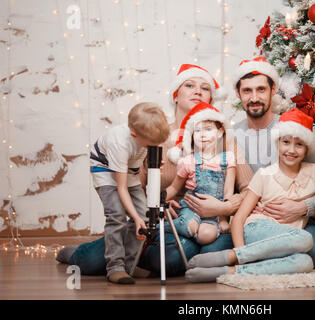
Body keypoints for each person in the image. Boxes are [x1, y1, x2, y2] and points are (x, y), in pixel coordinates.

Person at [56, 64, 254, 277]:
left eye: (205, 88)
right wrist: (157, 204)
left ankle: (157, 255)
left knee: (190, 254)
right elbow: (135, 184)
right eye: (190, 85)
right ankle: (83, 252)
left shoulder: (226, 140)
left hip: (210, 223)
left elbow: (250, 190)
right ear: (175, 96)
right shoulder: (155, 134)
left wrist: (223, 208)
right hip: (163, 221)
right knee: (93, 261)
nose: (198, 91)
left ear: (211, 100)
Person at [185, 108, 315, 282]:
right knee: (305, 239)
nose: (291, 150)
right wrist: (239, 253)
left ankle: (229, 272)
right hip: (258, 229)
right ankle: (231, 257)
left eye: (299, 144)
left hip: (289, 239)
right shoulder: (265, 174)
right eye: (286, 142)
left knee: (305, 263)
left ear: (307, 148)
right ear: (277, 143)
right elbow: (239, 219)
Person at [229, 56, 315, 269]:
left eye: (261, 89)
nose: (254, 97)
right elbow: (228, 186)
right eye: (247, 91)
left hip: (298, 221)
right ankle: (277, 259)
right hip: (255, 221)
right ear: (238, 94)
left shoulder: (294, 127)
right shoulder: (233, 136)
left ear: (273, 89)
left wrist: (303, 207)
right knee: (217, 245)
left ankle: (262, 260)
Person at [89, 102, 170, 284]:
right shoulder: (120, 143)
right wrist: (134, 217)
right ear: (135, 135)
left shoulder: (147, 135)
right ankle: (115, 267)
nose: (155, 146)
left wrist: (152, 164)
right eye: (152, 145)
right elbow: (121, 188)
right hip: (107, 175)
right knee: (116, 215)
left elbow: (138, 162)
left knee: (146, 216)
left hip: (129, 173)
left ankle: (129, 265)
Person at [164, 102, 236, 244]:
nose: (202, 135)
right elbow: (174, 187)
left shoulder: (228, 158)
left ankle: (194, 237)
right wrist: (160, 201)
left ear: (220, 131)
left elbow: (228, 191)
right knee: (190, 227)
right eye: (197, 131)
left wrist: (223, 217)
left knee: (205, 236)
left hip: (215, 212)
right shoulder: (188, 161)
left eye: (208, 129)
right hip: (190, 209)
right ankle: (165, 227)